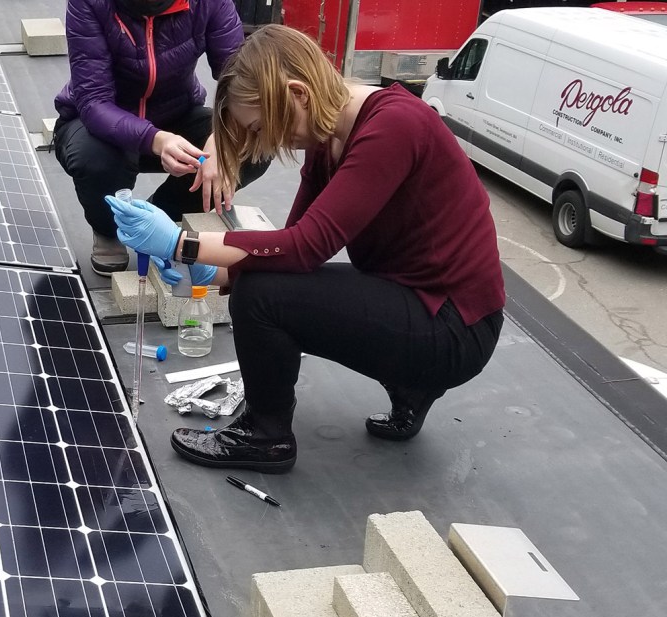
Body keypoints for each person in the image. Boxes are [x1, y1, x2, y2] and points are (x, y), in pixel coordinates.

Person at [106, 24, 505, 474]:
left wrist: (183, 243)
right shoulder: (329, 139)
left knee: (261, 298)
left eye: (261, 127)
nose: (267, 144)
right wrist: (208, 273)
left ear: (296, 93)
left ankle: (266, 437)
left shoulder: (395, 125)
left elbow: (304, 248)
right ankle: (412, 384)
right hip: (416, 299)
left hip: (457, 328)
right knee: (262, 284)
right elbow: (284, 254)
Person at [53, 0, 270, 276]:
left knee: (254, 144)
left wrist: (223, 138)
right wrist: (157, 139)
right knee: (94, 159)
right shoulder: (90, 4)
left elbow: (240, 78)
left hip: (176, 113)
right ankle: (109, 229)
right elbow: (94, 102)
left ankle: (161, 217)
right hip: (100, 124)